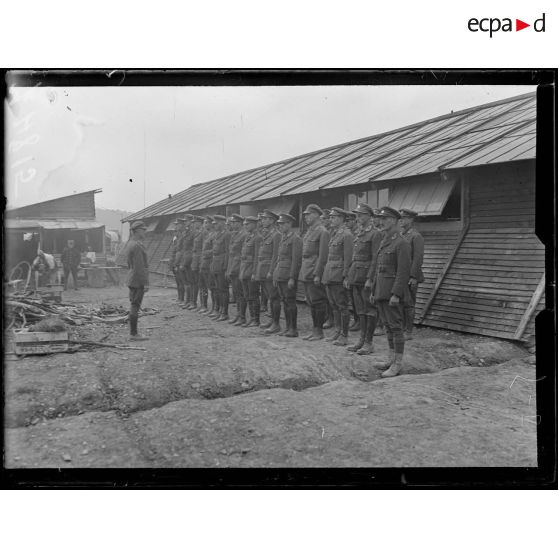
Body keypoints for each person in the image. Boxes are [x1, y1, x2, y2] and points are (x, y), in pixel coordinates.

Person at [369, 207, 411, 378]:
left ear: (394, 220)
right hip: (381, 291)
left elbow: (403, 272)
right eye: (380, 218)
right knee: (387, 327)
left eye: (385, 218)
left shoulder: (401, 243)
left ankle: (397, 364)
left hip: (391, 293)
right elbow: (379, 269)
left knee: (395, 327)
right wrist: (373, 290)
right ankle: (391, 358)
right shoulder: (385, 240)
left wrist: (396, 294)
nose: (381, 221)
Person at [346, 203, 382, 354]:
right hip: (356, 275)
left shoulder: (375, 234)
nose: (358, 217)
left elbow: (375, 258)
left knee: (370, 310)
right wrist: (349, 275)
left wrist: (370, 278)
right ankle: (361, 340)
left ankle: (369, 342)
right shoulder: (359, 232)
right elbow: (354, 258)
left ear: (369, 216)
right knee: (360, 310)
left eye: (361, 215)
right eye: (357, 215)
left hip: (366, 276)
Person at [322, 208, 354, 346]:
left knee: (342, 305)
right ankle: (337, 331)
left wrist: (346, 276)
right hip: (330, 273)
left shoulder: (346, 235)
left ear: (341, 218)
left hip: (339, 275)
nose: (331, 219)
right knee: (334, 305)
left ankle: (344, 335)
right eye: (331, 217)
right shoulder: (334, 234)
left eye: (334, 217)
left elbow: (348, 258)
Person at [300, 204, 330, 341]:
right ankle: (315, 330)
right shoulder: (310, 231)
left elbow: (322, 256)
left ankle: (319, 331)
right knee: (311, 302)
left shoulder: (322, 231)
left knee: (318, 301)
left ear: (317, 215)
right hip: (306, 270)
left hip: (314, 271)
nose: (306, 217)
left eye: (309, 215)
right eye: (305, 215)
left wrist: (318, 274)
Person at [272, 213, 302, 337]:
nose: (281, 226)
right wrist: (275, 274)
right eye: (279, 224)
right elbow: (279, 258)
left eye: (283, 224)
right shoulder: (283, 238)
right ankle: (287, 327)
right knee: (284, 301)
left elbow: (296, 260)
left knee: (290, 302)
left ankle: (293, 329)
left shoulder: (296, 239)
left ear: (290, 224)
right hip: (280, 273)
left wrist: (292, 278)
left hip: (288, 275)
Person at [399, 208, 424, 340]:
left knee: (409, 304)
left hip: (410, 276)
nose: (401, 220)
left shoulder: (416, 236)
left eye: (404, 218)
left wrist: (413, 276)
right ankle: (402, 328)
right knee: (401, 303)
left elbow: (418, 258)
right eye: (400, 218)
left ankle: (408, 331)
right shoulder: (401, 235)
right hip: (400, 275)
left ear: (411, 220)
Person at [255, 209, 282, 334]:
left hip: (269, 270)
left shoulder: (276, 234)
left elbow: (275, 255)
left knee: (274, 297)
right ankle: (272, 321)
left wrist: (271, 271)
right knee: (270, 297)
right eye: (262, 219)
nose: (263, 221)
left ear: (272, 221)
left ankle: (276, 324)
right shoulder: (265, 234)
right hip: (262, 268)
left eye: (265, 219)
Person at [126, 221, 150, 341]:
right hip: (137, 280)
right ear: (137, 231)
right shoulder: (137, 246)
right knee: (135, 305)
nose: (145, 232)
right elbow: (140, 267)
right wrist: (145, 282)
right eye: (143, 230)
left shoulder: (131, 243)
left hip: (132, 278)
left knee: (133, 304)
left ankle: (133, 332)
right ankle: (134, 334)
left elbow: (129, 264)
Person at [226, 214, 248, 325]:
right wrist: (229, 269)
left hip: (239, 267)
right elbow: (231, 254)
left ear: (240, 223)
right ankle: (238, 315)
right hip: (233, 267)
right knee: (236, 293)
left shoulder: (244, 235)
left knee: (240, 294)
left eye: (234, 222)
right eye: (232, 222)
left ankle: (242, 317)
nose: (232, 224)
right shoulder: (234, 235)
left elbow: (243, 254)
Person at [240, 216, 261, 327]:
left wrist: (254, 272)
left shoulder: (257, 237)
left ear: (254, 224)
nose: (245, 226)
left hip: (251, 270)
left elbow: (257, 257)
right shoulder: (248, 237)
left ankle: (256, 319)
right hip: (244, 269)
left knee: (253, 295)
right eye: (245, 224)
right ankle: (252, 318)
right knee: (247, 295)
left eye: (247, 224)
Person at [210, 215, 231, 321]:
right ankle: (219, 310)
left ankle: (225, 312)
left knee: (223, 289)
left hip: (222, 264)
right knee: (218, 289)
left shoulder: (227, 234)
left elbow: (228, 251)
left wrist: (226, 266)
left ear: (223, 223)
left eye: (217, 223)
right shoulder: (216, 234)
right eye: (214, 223)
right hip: (216, 263)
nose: (215, 225)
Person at [199, 216, 215, 315]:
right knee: (202, 286)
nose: (205, 225)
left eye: (206, 223)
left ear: (211, 224)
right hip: (203, 263)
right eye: (204, 223)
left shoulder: (214, 235)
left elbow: (216, 250)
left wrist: (206, 253)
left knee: (212, 287)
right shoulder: (206, 236)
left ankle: (214, 308)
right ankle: (203, 306)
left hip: (210, 264)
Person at [188, 216, 205, 310]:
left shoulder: (203, 233)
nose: (193, 224)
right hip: (195, 260)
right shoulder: (196, 233)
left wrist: (200, 262)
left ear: (200, 223)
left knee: (201, 284)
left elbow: (203, 249)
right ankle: (193, 302)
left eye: (195, 222)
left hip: (199, 261)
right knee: (194, 282)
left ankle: (203, 305)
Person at [168, 219, 185, 302]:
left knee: (181, 281)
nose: (176, 227)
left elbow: (181, 252)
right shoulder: (176, 238)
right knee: (178, 282)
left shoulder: (182, 237)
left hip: (179, 262)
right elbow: (173, 251)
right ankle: (179, 298)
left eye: (178, 225)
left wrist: (177, 263)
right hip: (175, 262)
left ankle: (182, 299)